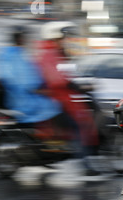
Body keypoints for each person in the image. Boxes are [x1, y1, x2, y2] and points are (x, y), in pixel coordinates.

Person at [36, 21, 101, 175]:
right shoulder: (49, 54)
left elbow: (67, 72)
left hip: (64, 99)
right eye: (62, 39)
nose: (64, 41)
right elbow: (56, 78)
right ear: (54, 38)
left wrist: (77, 83)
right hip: (57, 101)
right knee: (77, 128)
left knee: (81, 124)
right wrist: (72, 84)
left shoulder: (56, 53)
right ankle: (85, 166)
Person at [0, 26, 62, 126]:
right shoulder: (16, 57)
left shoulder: (7, 54)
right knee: (55, 108)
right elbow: (26, 82)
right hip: (24, 100)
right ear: (21, 39)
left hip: (18, 96)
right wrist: (42, 88)